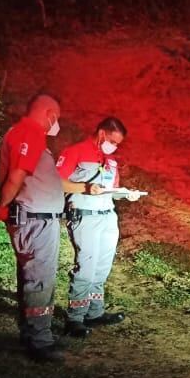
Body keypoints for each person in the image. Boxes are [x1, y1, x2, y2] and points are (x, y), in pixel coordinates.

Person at [0, 93, 70, 362]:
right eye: (56, 117)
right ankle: (40, 342)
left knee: (32, 276)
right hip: (36, 220)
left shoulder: (22, 133)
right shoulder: (30, 133)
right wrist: (2, 205)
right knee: (40, 279)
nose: (56, 124)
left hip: (33, 218)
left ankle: (31, 333)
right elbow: (16, 176)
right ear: (50, 114)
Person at [56, 117, 140, 337]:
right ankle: (75, 318)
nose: (114, 146)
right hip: (86, 216)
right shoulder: (75, 151)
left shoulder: (111, 160)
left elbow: (111, 188)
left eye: (118, 144)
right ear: (102, 134)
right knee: (86, 268)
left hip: (107, 217)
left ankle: (95, 313)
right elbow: (56, 180)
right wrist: (84, 187)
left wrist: (126, 194)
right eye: (113, 140)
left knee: (102, 268)